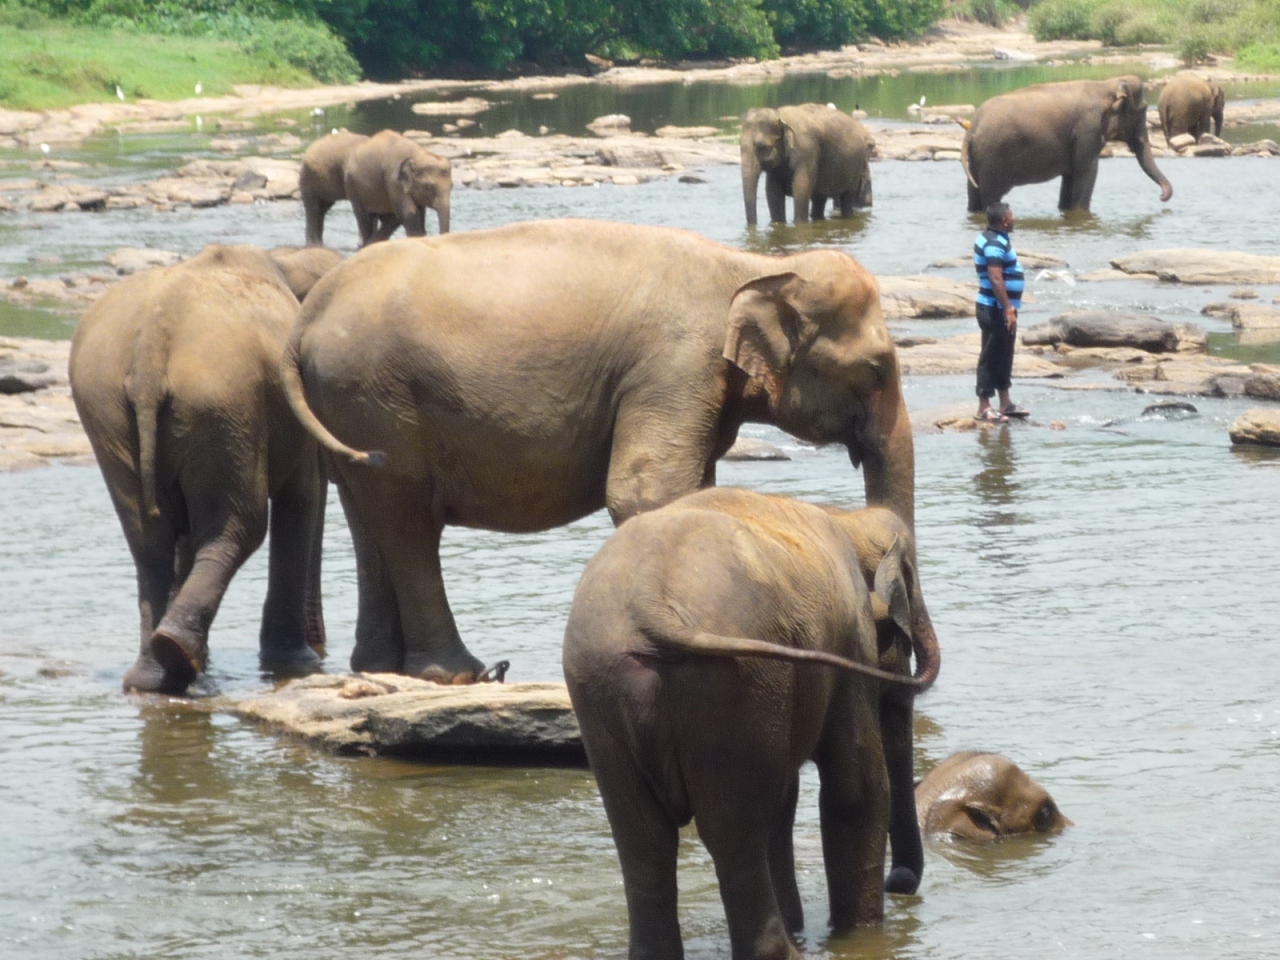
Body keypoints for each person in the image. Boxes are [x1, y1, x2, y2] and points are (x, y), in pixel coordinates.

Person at [972, 201, 1027, 422]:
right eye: (1012, 216)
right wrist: (1007, 309)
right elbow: (995, 278)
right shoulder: (994, 243)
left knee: (1005, 353)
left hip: (1003, 308)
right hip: (995, 308)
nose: (1014, 219)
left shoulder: (992, 238)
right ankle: (984, 406)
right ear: (1004, 220)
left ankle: (1005, 402)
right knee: (991, 354)